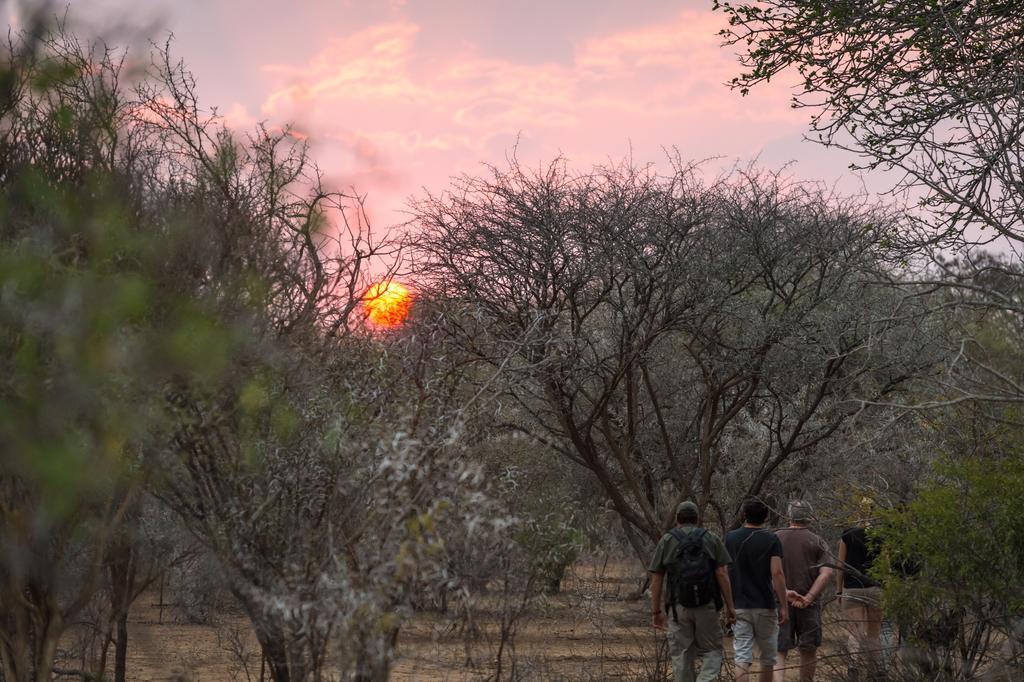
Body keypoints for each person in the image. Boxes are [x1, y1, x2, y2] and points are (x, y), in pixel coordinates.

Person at [650, 501, 736, 682]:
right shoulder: (710, 537)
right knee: (712, 651)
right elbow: (721, 573)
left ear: (677, 519)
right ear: (697, 519)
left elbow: (657, 577)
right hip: (707, 605)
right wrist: (730, 607)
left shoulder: (667, 540)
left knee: (682, 654)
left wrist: (656, 611)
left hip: (678, 606)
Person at [726, 499, 788, 682]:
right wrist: (783, 605)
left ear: (744, 515)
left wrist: (728, 604)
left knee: (742, 655)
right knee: (768, 657)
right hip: (765, 605)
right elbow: (777, 573)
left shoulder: (731, 538)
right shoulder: (771, 539)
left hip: (739, 604)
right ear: (766, 517)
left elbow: (724, 571)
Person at [774, 500, 832, 682]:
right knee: (808, 650)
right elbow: (826, 573)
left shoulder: (775, 538)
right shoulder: (817, 541)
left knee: (779, 650)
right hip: (808, 605)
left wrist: (783, 592)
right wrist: (808, 597)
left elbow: (766, 572)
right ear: (809, 516)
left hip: (780, 601)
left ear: (789, 515)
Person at [837, 499, 883, 678]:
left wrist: (839, 590)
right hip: (874, 588)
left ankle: (853, 667)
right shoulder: (880, 534)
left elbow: (840, 565)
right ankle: (876, 670)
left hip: (852, 588)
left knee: (854, 630)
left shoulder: (847, 534)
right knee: (874, 633)